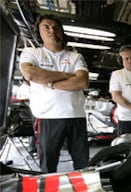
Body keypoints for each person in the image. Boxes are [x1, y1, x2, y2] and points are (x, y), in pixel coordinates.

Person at [19, 14, 89, 173]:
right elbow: (30, 74)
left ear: (62, 32)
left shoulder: (75, 56)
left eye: (56, 27)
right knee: (48, 165)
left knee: (83, 164)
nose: (52, 30)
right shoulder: (32, 53)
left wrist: (48, 82)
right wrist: (67, 75)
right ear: (39, 32)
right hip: (47, 118)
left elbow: (82, 82)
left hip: (75, 116)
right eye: (46, 27)